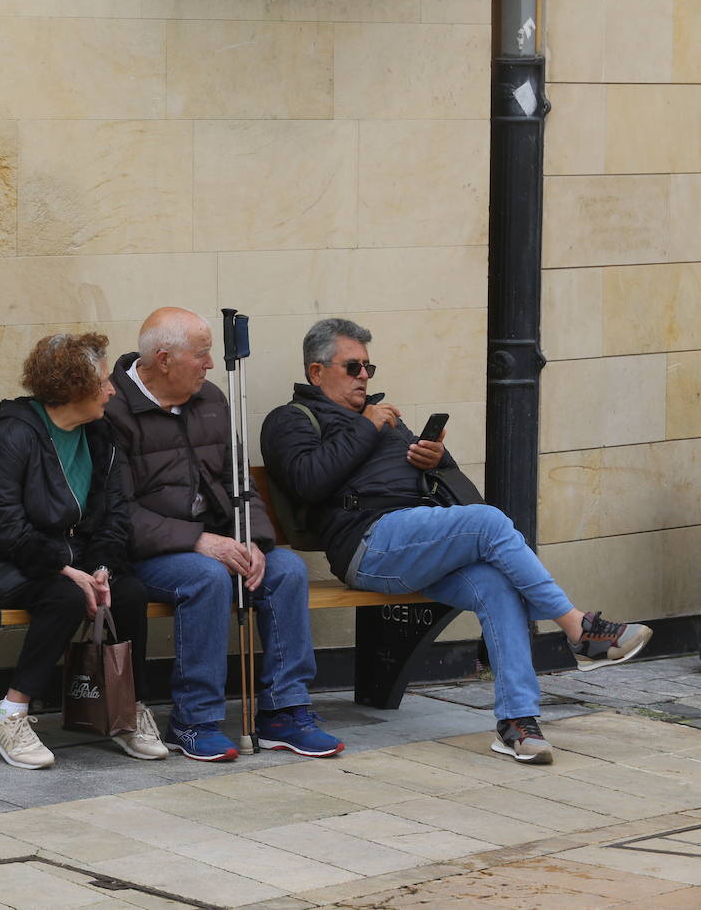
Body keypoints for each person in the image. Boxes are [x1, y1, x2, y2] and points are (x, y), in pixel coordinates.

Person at [260, 318, 652, 765]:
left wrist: (436, 459)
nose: (365, 377)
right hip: (369, 545)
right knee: (487, 521)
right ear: (316, 372)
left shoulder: (386, 419)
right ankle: (579, 629)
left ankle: (516, 722)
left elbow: (441, 482)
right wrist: (365, 427)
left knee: (496, 584)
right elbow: (308, 482)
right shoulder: (290, 420)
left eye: (369, 368)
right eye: (353, 368)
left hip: (421, 538)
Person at [103, 308, 343, 761]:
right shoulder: (113, 410)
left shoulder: (210, 398)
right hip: (146, 551)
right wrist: (198, 540)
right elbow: (118, 511)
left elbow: (240, 483)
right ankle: (193, 719)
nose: (211, 364)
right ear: (164, 358)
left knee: (286, 568)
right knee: (205, 578)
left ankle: (284, 712)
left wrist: (251, 538)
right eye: (202, 354)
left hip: (216, 539)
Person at [0, 333, 167, 769]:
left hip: (67, 562)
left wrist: (100, 568)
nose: (111, 390)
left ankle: (124, 712)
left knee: (129, 593)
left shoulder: (101, 437)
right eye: (103, 381)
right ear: (72, 386)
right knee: (64, 596)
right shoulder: (12, 434)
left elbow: (114, 517)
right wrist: (67, 570)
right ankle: (10, 712)